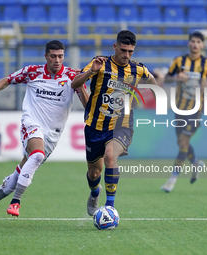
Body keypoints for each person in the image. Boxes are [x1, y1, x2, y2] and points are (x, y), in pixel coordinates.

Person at [0, 40, 88, 225]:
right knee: (36, 156)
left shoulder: (72, 76)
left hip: (53, 133)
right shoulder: (32, 71)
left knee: (21, 171)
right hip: (32, 122)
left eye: (60, 56)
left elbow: (87, 105)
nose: (57, 60)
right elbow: (8, 79)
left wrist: (82, 81)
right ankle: (16, 202)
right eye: (53, 56)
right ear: (46, 56)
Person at [71, 30, 157, 216]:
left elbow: (152, 81)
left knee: (110, 156)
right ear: (115, 46)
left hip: (121, 125)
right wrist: (91, 71)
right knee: (94, 173)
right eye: (123, 50)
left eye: (130, 52)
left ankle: (110, 207)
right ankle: (95, 193)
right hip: (95, 126)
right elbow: (74, 83)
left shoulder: (138, 69)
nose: (126, 55)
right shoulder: (100, 64)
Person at [161, 31, 207, 192]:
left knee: (183, 143)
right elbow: (166, 78)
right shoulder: (179, 61)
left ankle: (172, 180)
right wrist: (176, 78)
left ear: (202, 45)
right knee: (181, 142)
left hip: (196, 109)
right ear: (189, 43)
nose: (195, 44)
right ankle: (196, 163)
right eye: (193, 41)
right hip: (179, 108)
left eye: (198, 42)